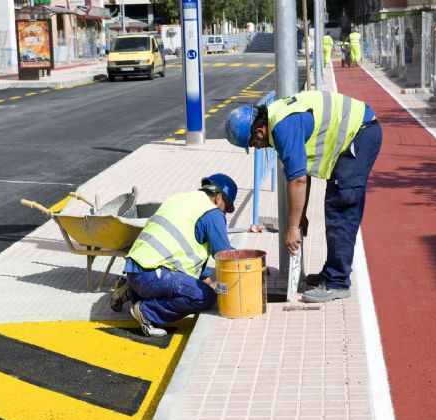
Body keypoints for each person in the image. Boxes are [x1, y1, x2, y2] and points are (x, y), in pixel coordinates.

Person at [225, 91, 382, 303]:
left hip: (360, 133)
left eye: (254, 144)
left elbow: (297, 180)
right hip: (358, 131)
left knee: (342, 204)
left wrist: (291, 229)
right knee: (335, 203)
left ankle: (338, 282)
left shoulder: (283, 128)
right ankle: (332, 272)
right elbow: (303, 172)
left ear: (259, 131)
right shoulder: (278, 117)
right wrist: (300, 216)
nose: (258, 149)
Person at [111, 173, 238, 337]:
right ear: (219, 197)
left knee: (190, 287)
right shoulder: (212, 212)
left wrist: (206, 279)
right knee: (204, 297)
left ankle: (129, 290)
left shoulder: (182, 199)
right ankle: (146, 312)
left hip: (136, 271)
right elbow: (224, 253)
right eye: (226, 207)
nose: (224, 212)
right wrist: (251, 264)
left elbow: (191, 247)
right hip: (154, 276)